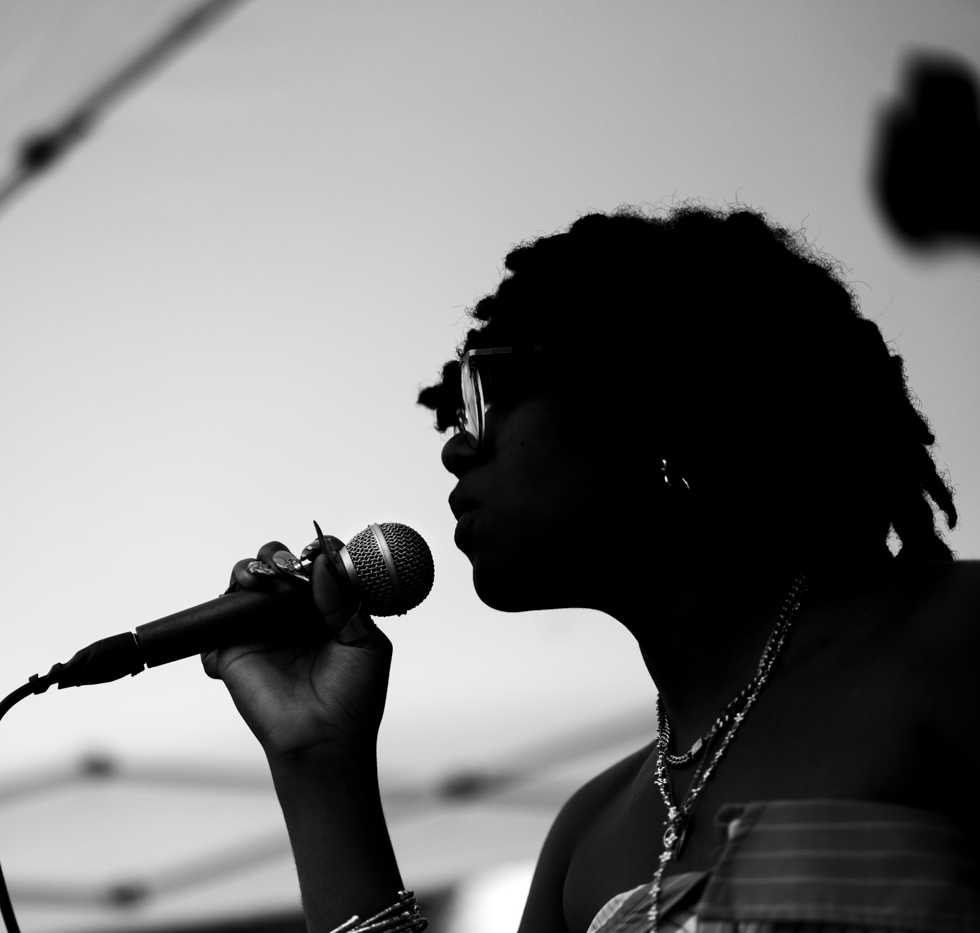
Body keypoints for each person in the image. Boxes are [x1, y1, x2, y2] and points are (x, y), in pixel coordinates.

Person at [201, 206, 980, 933]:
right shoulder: (588, 833)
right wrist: (319, 765)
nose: (456, 445)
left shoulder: (956, 637)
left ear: (652, 391)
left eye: (484, 392)